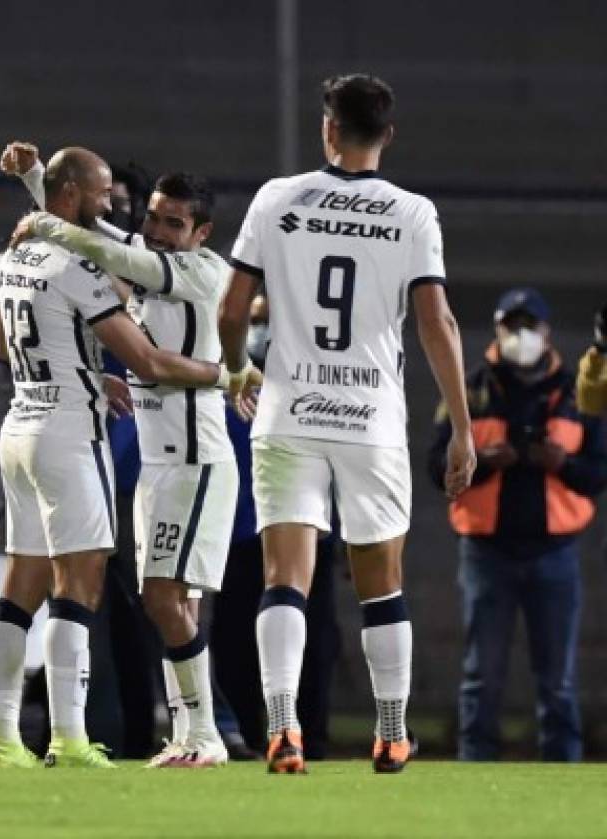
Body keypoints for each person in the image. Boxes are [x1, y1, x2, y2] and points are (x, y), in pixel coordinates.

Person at [218, 73, 477, 774]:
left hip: (290, 412)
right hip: (371, 417)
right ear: (387, 135)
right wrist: (462, 423)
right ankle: (390, 733)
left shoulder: (278, 198)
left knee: (284, 578)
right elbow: (437, 322)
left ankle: (282, 728)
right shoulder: (413, 213)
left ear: (327, 129)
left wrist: (240, 368)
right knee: (379, 583)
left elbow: (232, 309)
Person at [0, 146, 245, 769]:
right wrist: (227, 374)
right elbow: (105, 254)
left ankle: (201, 732)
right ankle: (152, 736)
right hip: (106, 445)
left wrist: (230, 375)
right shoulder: (104, 260)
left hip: (192, 458)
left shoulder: (204, 270)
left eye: (170, 222)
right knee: (134, 595)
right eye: (148, 215)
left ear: (202, 233)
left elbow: (95, 247)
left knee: (160, 600)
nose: (148, 226)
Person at [429, 288, 607, 761]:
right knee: (480, 676)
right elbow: (434, 468)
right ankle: (474, 771)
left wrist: (560, 463)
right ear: (497, 329)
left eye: (530, 325)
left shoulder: (577, 394)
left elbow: (597, 473)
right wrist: (482, 461)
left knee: (558, 680)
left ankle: (563, 774)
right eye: (512, 325)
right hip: (487, 552)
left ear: (547, 332)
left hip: (555, 552)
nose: (521, 335)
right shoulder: (470, 390)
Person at [211, 293, 342, 760]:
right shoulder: (225, 379)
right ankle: (250, 736)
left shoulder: (310, 375)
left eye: (268, 320)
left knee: (313, 641)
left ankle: (312, 737)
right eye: (255, 320)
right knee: (235, 644)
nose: (260, 330)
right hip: (238, 532)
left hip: (306, 527)